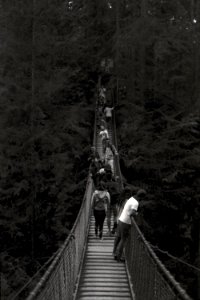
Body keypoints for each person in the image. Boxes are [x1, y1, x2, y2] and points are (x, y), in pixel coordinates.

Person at [112, 190, 140, 262]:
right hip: (126, 222)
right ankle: (118, 256)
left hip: (120, 220)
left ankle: (114, 252)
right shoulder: (135, 203)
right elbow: (131, 213)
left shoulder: (130, 199)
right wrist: (136, 214)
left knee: (118, 237)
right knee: (123, 239)